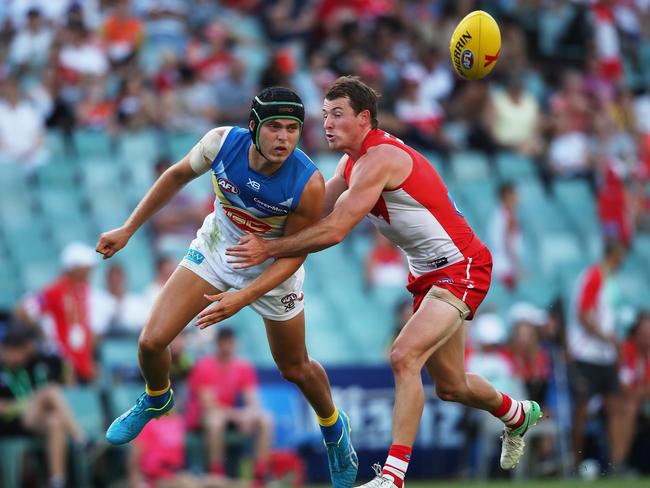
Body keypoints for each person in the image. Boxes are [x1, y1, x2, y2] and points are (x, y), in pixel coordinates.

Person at [227, 76, 542, 487]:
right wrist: (249, 212)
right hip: (427, 274)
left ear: (364, 119)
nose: (327, 123)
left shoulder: (380, 159)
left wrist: (268, 249)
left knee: (403, 356)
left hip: (461, 266)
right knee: (451, 386)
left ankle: (392, 478)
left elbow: (337, 228)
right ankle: (518, 415)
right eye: (324, 115)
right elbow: (313, 212)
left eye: (337, 115)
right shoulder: (351, 164)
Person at [95, 86, 358, 488]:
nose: (284, 138)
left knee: (295, 368)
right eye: (274, 128)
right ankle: (157, 396)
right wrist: (129, 228)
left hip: (275, 269)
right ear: (253, 127)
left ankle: (334, 429)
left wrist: (244, 296)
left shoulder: (307, 182)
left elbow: (295, 253)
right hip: (218, 248)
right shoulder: (220, 143)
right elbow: (177, 174)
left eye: (292, 128)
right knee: (150, 343)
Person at [0, 324, 89, 488]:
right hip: (11, 423)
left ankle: (57, 481)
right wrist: (26, 403)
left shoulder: (30, 364)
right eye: (14, 350)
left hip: (33, 419)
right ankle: (79, 438)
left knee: (55, 421)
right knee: (50, 391)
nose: (19, 355)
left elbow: (68, 375)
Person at [567, 239, 626, 469]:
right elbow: (584, 314)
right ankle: (575, 462)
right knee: (581, 410)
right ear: (615, 256)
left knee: (614, 407)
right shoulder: (595, 276)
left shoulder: (607, 279)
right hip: (586, 352)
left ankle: (616, 464)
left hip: (604, 355)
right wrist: (607, 337)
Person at [186, 327, 272, 482]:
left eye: (230, 342)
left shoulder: (243, 367)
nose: (226, 346)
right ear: (217, 344)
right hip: (202, 417)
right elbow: (209, 405)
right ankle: (216, 472)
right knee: (215, 420)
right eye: (223, 342)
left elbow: (253, 400)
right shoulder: (204, 366)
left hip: (229, 416)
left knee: (266, 419)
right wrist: (239, 416)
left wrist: (249, 414)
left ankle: (260, 472)